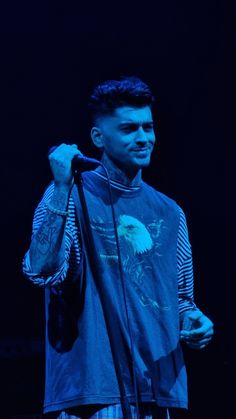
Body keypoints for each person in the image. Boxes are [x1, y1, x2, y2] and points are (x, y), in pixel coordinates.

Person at [23, 77, 214, 419]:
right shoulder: (73, 193)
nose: (143, 138)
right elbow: (41, 271)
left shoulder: (170, 211)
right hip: (94, 391)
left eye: (148, 127)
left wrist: (195, 320)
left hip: (160, 389)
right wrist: (61, 184)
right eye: (128, 129)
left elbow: (181, 298)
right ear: (99, 137)